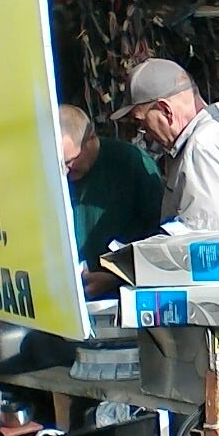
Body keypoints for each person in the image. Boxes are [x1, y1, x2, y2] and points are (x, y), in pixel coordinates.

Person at [111, 58, 219, 231]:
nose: (146, 135)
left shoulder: (202, 147)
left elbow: (205, 239)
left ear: (166, 110)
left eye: (143, 124)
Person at [59, 105, 164, 298]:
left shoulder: (130, 163)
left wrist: (116, 277)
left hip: (125, 296)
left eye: (69, 161)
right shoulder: (52, 175)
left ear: (91, 138)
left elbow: (162, 237)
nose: (64, 172)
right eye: (59, 164)